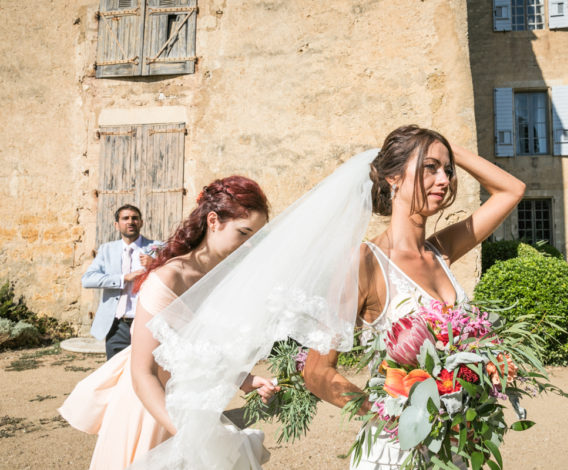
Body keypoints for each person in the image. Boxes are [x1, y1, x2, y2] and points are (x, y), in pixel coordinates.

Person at [303, 125, 526, 469]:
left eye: (448, 171)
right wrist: (389, 415)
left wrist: (449, 150)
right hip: (396, 450)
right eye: (429, 168)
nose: (445, 180)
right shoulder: (364, 262)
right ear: (392, 177)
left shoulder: (442, 251)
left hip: (455, 445)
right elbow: (317, 372)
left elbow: (512, 190)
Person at [59, 176, 277, 470]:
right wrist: (187, 434)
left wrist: (245, 379)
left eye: (255, 237)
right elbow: (143, 373)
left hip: (192, 406)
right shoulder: (169, 278)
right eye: (243, 233)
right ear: (213, 221)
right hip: (152, 409)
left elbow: (202, 347)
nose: (249, 246)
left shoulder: (224, 277)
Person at [82, 205, 162, 359]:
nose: (130, 222)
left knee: (145, 371)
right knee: (114, 372)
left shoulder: (157, 248)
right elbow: (87, 279)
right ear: (116, 225)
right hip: (117, 324)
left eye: (134, 218)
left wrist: (155, 264)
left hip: (147, 323)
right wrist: (123, 278)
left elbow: (174, 276)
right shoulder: (106, 250)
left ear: (141, 222)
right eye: (125, 218)